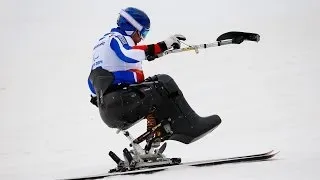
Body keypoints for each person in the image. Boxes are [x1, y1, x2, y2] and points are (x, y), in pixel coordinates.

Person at [88, 7, 221, 148]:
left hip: (109, 111)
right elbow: (128, 54)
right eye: (143, 32)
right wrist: (162, 46)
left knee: (153, 86)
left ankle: (156, 133)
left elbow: (92, 83)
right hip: (122, 102)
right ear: (131, 28)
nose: (141, 39)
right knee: (163, 83)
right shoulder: (117, 38)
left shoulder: (101, 44)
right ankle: (190, 127)